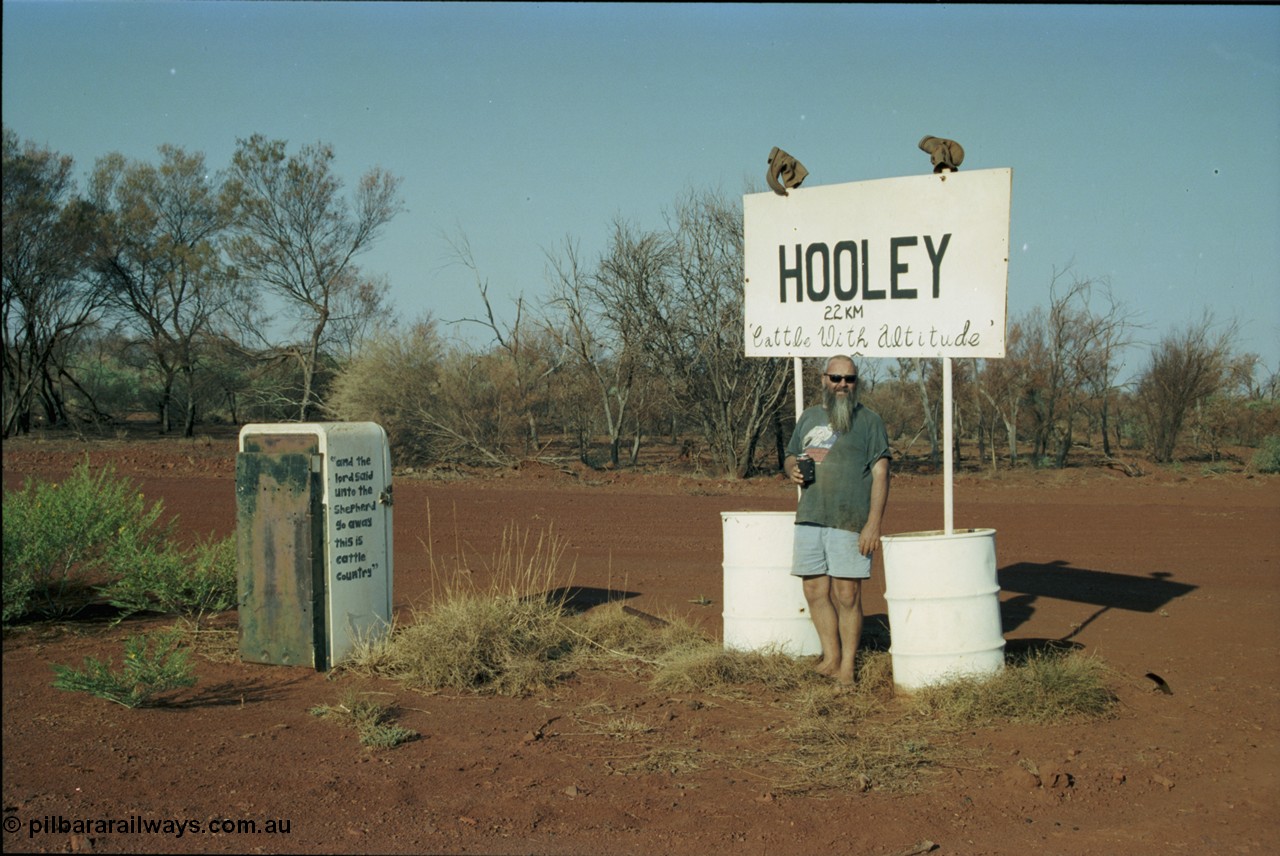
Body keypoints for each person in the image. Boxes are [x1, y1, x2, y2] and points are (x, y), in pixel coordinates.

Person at [783, 355, 891, 685]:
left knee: (848, 595)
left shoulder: (870, 421)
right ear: (823, 380)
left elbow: (881, 472)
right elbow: (790, 456)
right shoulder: (809, 417)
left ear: (857, 383)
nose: (842, 384)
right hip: (811, 517)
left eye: (849, 379)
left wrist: (873, 524)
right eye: (836, 378)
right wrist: (792, 470)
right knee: (815, 590)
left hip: (850, 521)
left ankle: (847, 667)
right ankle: (830, 657)